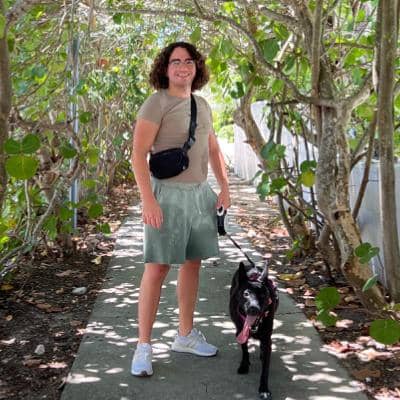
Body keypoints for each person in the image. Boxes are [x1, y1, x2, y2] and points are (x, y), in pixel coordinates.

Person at [130, 41, 231, 377]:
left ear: (196, 67)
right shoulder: (156, 103)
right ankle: (143, 346)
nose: (182, 67)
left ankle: (185, 336)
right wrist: (148, 200)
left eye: (189, 61)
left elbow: (213, 149)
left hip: (199, 195)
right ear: (165, 68)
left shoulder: (202, 104)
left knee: (192, 264)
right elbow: (138, 155)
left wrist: (224, 187)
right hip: (166, 196)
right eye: (175, 62)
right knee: (157, 268)